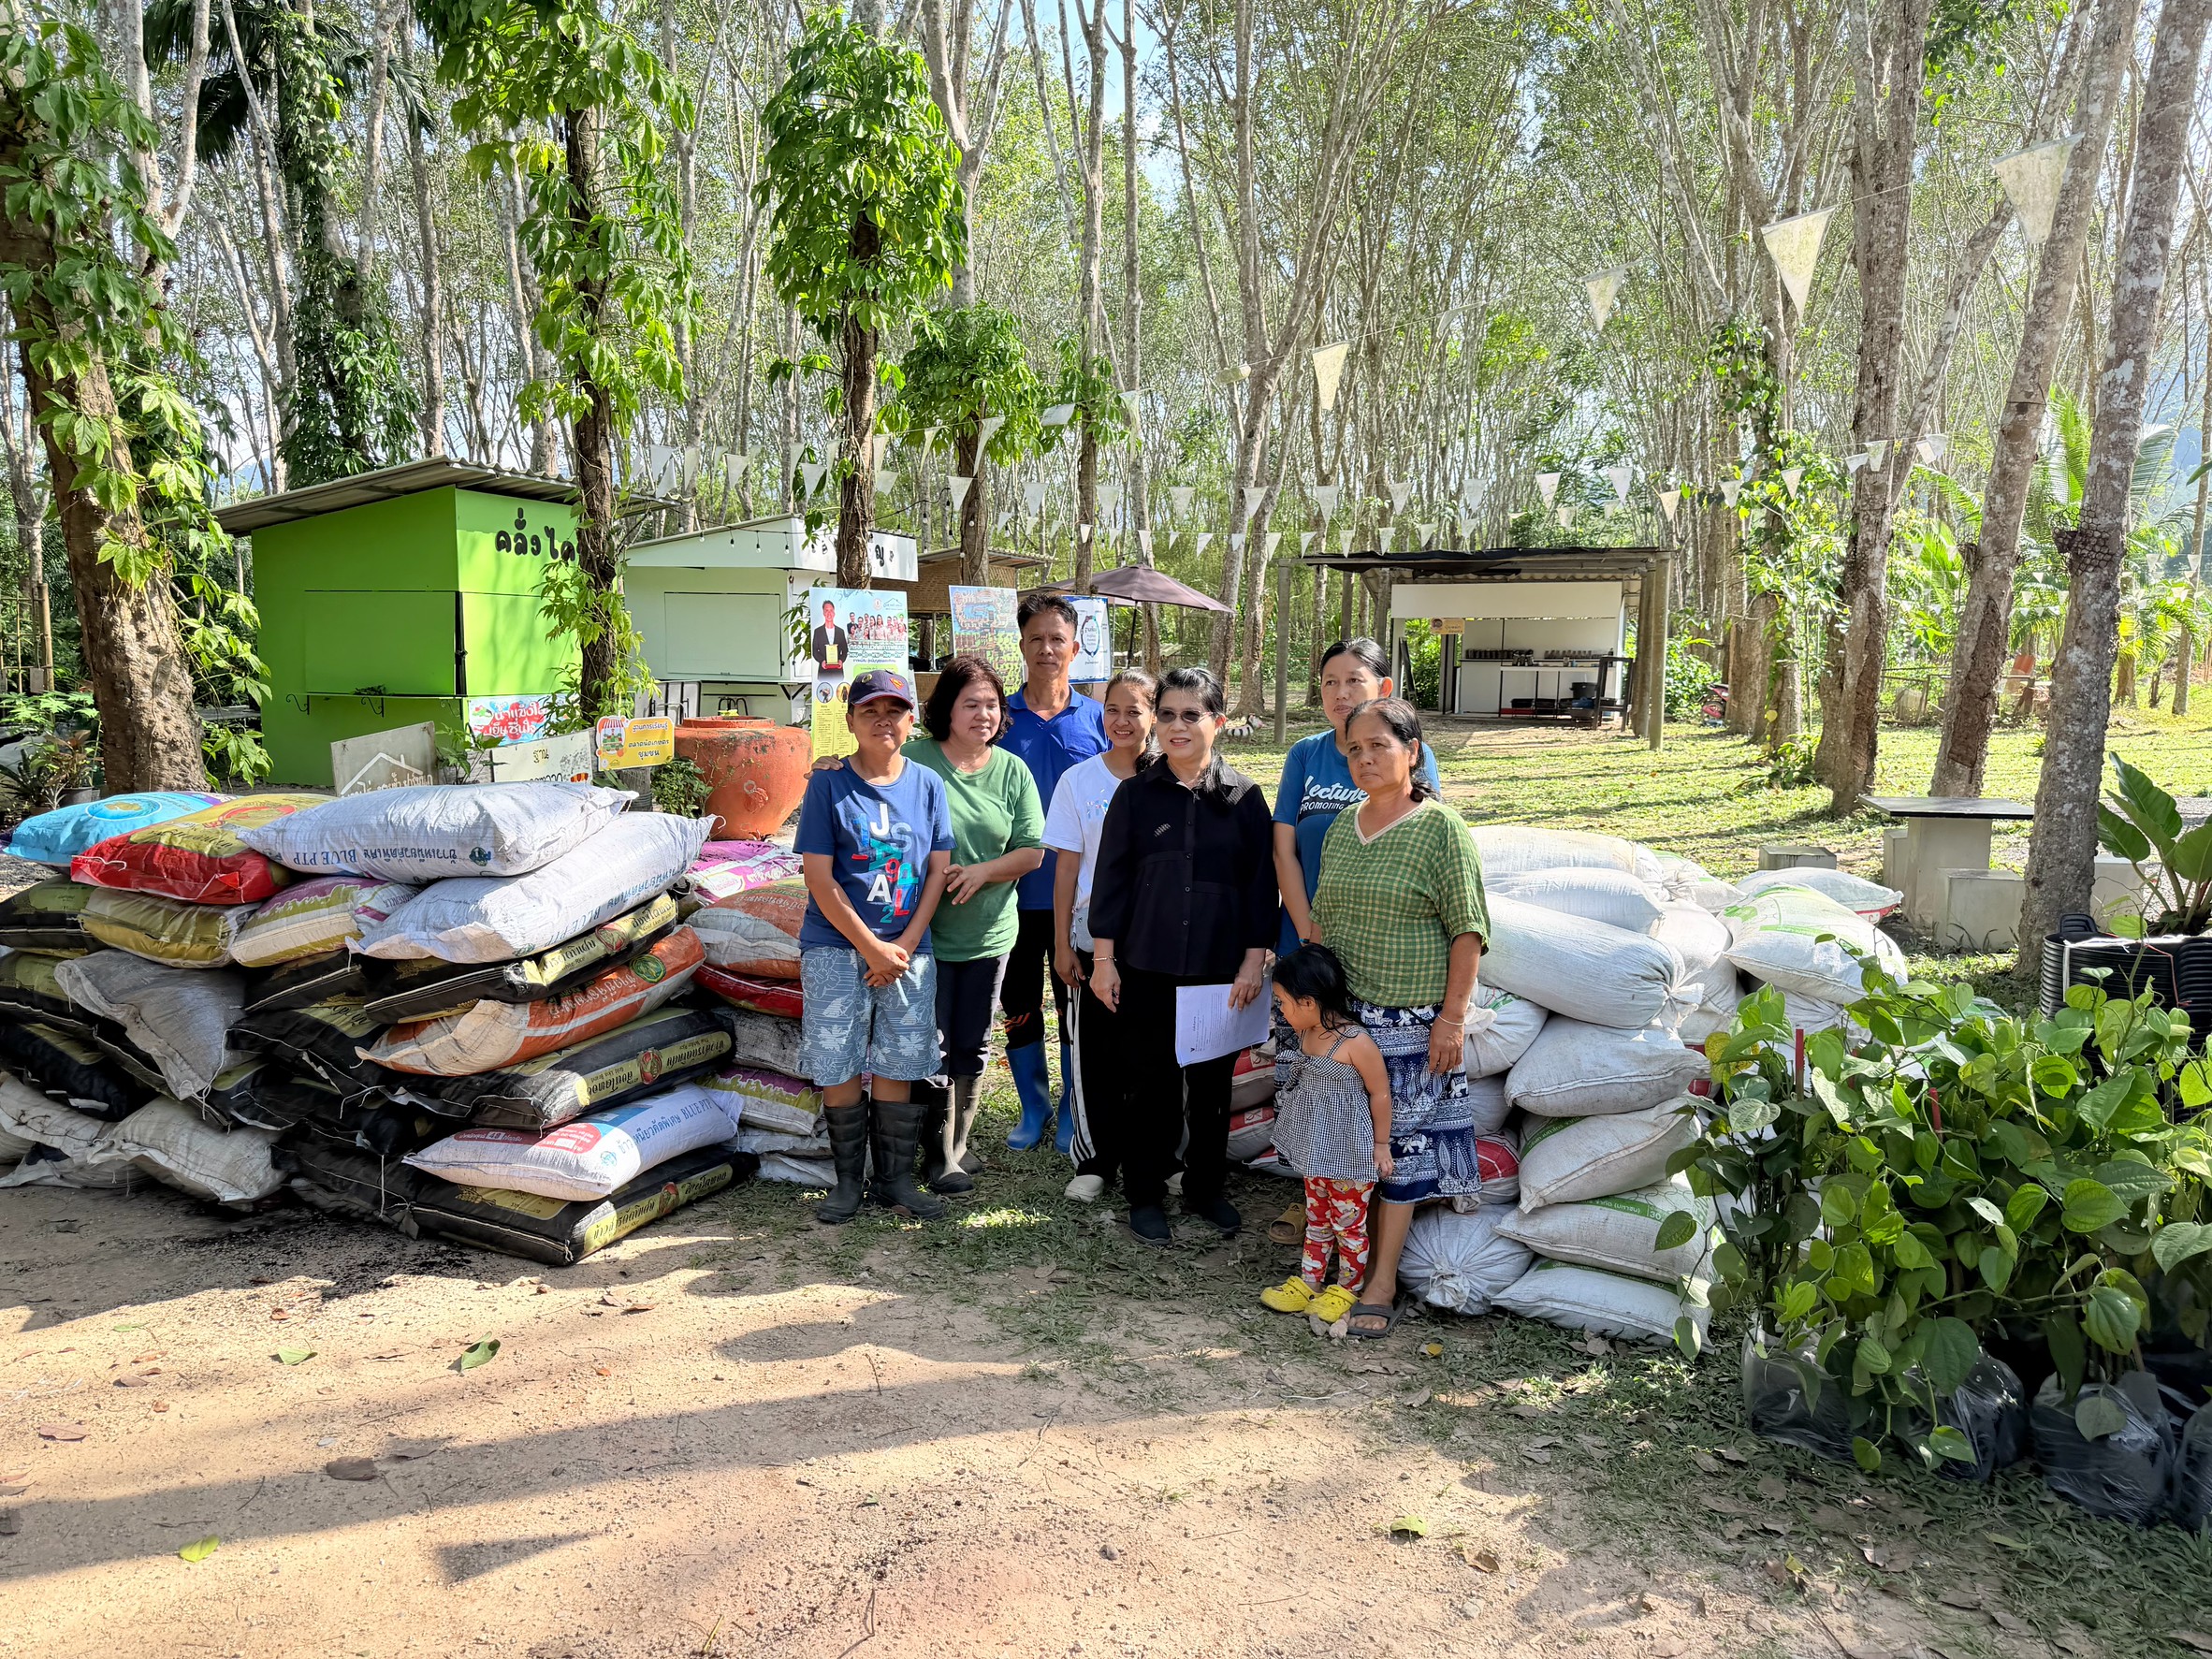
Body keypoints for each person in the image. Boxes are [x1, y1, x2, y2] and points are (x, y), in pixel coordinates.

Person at [1311, 697, 1488, 1337]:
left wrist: (1452, 1018)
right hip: (1346, 1021)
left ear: (1412, 751)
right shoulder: (1340, 828)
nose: (1364, 758)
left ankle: (1380, 1279)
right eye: (1353, 749)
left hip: (1412, 1024)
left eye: (1378, 745)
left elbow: (1468, 929)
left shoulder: (1441, 829)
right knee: (1348, 1146)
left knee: (1397, 1154)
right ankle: (1338, 1262)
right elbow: (1324, 919)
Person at [1086, 667, 1277, 1246]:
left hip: (1220, 971)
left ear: (1217, 722)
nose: (1177, 726)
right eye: (1166, 714)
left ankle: (1205, 1188)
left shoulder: (1243, 798)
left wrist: (1252, 960)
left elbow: (1259, 883)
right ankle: (1145, 1193)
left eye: (1191, 715)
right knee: (1150, 1084)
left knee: (1212, 1087)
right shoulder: (1135, 796)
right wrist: (1103, 958)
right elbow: (1111, 880)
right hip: (1145, 965)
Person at [1264, 637, 1440, 1244]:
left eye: (1355, 680)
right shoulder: (1305, 755)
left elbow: (1424, 839)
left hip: (1380, 948)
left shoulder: (1407, 755)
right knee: (1312, 1077)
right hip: (1309, 948)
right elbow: (1283, 845)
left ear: (1383, 689)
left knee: (1371, 1081)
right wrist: (1307, 925)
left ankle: (1368, 1202)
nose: (1341, 693)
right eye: (1330, 681)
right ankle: (1309, 1198)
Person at [793, 669, 954, 1224]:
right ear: (851, 721)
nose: (883, 720)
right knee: (837, 1059)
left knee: (899, 1057)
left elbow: (938, 871)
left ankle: (895, 1180)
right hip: (836, 947)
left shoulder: (928, 785)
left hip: (910, 949)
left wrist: (904, 944)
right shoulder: (828, 785)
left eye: (894, 710)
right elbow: (819, 877)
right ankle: (845, 1183)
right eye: (869, 711)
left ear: (911, 720)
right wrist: (870, 949)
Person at [901, 655, 1043, 1196]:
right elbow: (869, 782)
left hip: (988, 933)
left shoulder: (1011, 770)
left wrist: (983, 872)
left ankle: (956, 1147)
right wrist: (831, 767)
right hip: (922, 933)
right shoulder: (914, 761)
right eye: (971, 704)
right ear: (946, 710)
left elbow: (1032, 850)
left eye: (992, 704)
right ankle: (935, 1152)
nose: (983, 714)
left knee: (974, 1042)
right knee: (929, 1041)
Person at [996, 593, 1109, 1153]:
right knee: (1018, 1000)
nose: (1047, 649)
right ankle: (1032, 1105)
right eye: (1035, 638)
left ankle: (1072, 1105)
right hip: (1010, 894)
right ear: (1022, 644)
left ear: (1075, 646)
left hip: (1080, 896)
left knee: (1074, 1003)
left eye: (1057, 639)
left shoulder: (1098, 719)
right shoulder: (999, 717)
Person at [1043, 667, 1158, 1204]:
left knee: (1157, 1056)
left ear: (1153, 716)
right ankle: (1094, 1160)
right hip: (1092, 941)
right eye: (1112, 709)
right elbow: (1066, 869)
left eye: (1134, 710)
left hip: (1157, 943)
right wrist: (1064, 942)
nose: (1121, 721)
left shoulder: (1168, 777)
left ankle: (1165, 1158)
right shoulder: (1080, 780)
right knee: (1094, 1053)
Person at [1259, 944, 1392, 1329]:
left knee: (1349, 1225)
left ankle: (1347, 1288)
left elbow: (1379, 1092)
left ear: (1309, 1001)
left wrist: (1381, 1145)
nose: (1281, 1010)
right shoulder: (1309, 1034)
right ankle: (1310, 1281)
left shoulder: (1355, 1042)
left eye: (1284, 1002)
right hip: (1316, 1150)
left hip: (1349, 1154)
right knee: (1317, 1218)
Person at [811, 600, 849, 675]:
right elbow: (815, 651)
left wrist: (841, 660)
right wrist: (822, 661)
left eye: (831, 610)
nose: (829, 613)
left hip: (838, 672)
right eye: (826, 610)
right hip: (823, 673)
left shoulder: (840, 632)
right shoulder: (818, 631)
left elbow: (845, 650)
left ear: (834, 613)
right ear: (823, 613)